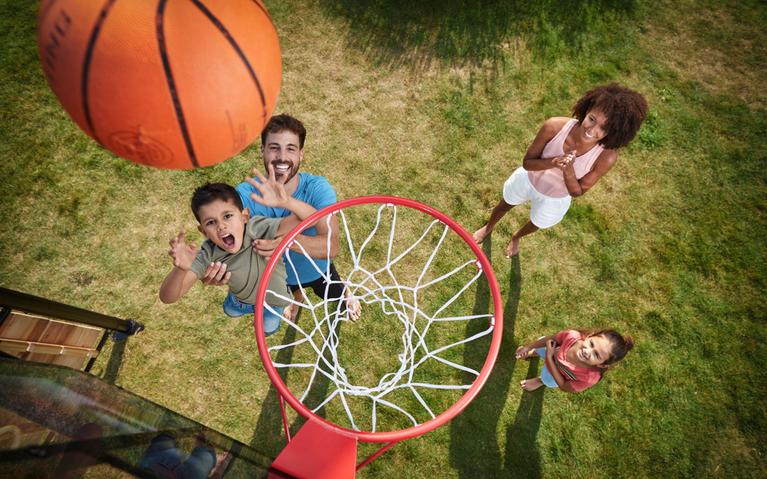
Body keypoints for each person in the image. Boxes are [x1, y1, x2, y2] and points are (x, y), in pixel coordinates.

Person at [201, 114, 359, 320]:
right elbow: (227, 243)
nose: (282, 157)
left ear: (301, 154)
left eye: (290, 149)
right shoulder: (244, 197)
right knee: (289, 292)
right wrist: (213, 269)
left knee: (335, 294)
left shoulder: (318, 189)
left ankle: (346, 294)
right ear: (263, 151)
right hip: (278, 278)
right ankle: (296, 295)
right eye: (274, 147)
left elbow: (332, 247)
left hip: (318, 271)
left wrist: (286, 234)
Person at [473, 83, 648, 257]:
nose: (592, 130)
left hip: (555, 199)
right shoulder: (554, 126)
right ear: (586, 110)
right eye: (592, 119)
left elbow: (578, 192)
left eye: (604, 128)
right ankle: (488, 227)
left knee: (536, 223)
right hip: (529, 179)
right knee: (505, 204)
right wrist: (554, 162)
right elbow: (527, 163)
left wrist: (568, 170)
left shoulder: (606, 157)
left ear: (615, 132)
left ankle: (516, 237)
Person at [158, 171, 323, 336]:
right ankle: (236, 304)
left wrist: (287, 202)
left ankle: (268, 316)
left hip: (275, 302)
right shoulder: (207, 255)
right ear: (203, 231)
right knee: (231, 311)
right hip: (241, 301)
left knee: (268, 328)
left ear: (244, 216)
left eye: (227, 216)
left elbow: (313, 219)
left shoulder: (258, 228)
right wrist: (181, 269)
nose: (221, 226)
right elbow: (168, 297)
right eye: (211, 222)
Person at [514, 329, 634, 393]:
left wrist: (550, 359)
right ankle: (533, 353)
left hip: (555, 375)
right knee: (542, 345)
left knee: (547, 379)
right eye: (591, 344)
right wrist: (529, 347)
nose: (588, 351)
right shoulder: (572, 336)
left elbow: (564, 386)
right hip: (551, 350)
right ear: (590, 336)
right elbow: (550, 339)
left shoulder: (589, 377)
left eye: (596, 355)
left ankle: (540, 381)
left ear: (602, 364)